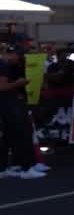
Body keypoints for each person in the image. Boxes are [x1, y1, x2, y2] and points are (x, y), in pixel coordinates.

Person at [0, 45, 44, 178]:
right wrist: (19, 83)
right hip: (8, 105)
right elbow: (2, 86)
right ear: (8, 53)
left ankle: (3, 169)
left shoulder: (6, 65)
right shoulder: (3, 66)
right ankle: (26, 169)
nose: (19, 57)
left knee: (6, 137)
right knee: (22, 134)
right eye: (17, 54)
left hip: (5, 105)